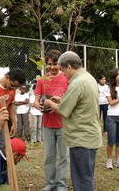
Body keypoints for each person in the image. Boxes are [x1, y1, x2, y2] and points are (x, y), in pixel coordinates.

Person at [44, 51, 102, 191]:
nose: (63, 74)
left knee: (82, 181)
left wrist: (50, 103)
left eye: (63, 70)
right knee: (86, 176)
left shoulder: (77, 82)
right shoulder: (88, 78)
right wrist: (61, 99)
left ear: (69, 67)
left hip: (81, 139)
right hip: (90, 136)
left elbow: (63, 110)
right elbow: (78, 102)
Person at [34, 50, 69, 191]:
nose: (52, 67)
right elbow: (36, 99)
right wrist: (37, 104)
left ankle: (62, 184)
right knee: (49, 156)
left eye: (55, 64)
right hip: (47, 124)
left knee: (64, 156)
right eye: (49, 64)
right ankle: (50, 183)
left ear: (60, 64)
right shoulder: (42, 80)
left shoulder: (67, 79)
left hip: (63, 124)